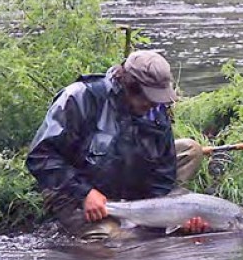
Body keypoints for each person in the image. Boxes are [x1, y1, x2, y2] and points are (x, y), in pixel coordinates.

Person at [26, 50, 210, 239]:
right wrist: (85, 193)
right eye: (150, 98)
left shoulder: (156, 110)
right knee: (119, 242)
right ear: (129, 86)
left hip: (128, 188)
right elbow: (41, 157)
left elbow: (162, 177)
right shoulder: (81, 97)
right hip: (73, 192)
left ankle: (139, 217)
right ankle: (102, 224)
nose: (155, 105)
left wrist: (173, 218)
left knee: (190, 149)